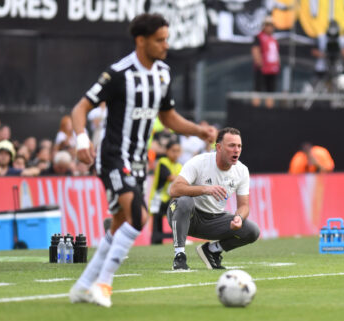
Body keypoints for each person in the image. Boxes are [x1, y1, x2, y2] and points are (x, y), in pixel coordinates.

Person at [68, 13, 217, 308]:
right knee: (139, 217)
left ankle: (83, 286)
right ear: (141, 41)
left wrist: (199, 130)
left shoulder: (162, 73)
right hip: (112, 157)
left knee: (121, 222)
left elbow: (168, 117)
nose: (166, 45)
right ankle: (103, 285)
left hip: (137, 163)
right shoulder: (118, 73)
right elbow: (80, 108)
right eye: (160, 40)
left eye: (166, 39)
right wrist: (81, 140)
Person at [167, 127, 259, 270]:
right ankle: (180, 256)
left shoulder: (242, 170)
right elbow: (174, 189)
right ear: (219, 147)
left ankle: (212, 250)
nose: (236, 150)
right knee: (184, 201)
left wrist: (239, 217)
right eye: (231, 145)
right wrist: (205, 189)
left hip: (214, 220)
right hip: (189, 216)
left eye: (239, 146)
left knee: (252, 231)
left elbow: (244, 205)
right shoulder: (199, 162)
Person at [149, 140, 181, 244]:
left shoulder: (179, 166)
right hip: (158, 200)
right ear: (167, 151)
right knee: (180, 204)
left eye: (178, 151)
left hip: (171, 199)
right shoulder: (163, 162)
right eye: (173, 151)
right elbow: (171, 177)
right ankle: (178, 237)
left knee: (181, 202)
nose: (176, 154)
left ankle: (179, 236)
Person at [311, 20, 344, 92]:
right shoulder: (321, 38)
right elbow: (313, 51)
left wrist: (339, 53)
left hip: (338, 68)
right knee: (316, 87)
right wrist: (326, 55)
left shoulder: (343, 40)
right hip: (322, 69)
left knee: (338, 87)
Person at [251, 16, 280, 108]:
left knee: (270, 91)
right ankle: (255, 109)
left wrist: (277, 64)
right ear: (264, 26)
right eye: (268, 25)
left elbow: (275, 53)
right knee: (258, 90)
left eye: (271, 25)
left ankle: (269, 109)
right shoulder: (259, 37)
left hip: (272, 69)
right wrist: (259, 63)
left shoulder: (273, 38)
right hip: (262, 68)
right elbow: (255, 50)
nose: (270, 27)